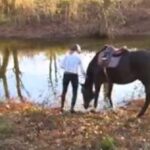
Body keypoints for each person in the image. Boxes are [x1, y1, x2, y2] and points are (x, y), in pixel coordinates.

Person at [60, 44, 86, 113]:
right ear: (77, 50)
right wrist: (85, 76)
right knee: (75, 92)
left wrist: (68, 67)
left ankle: (62, 107)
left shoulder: (66, 55)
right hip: (74, 76)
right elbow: (82, 70)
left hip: (66, 74)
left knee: (64, 91)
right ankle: (72, 108)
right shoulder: (78, 57)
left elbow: (61, 66)